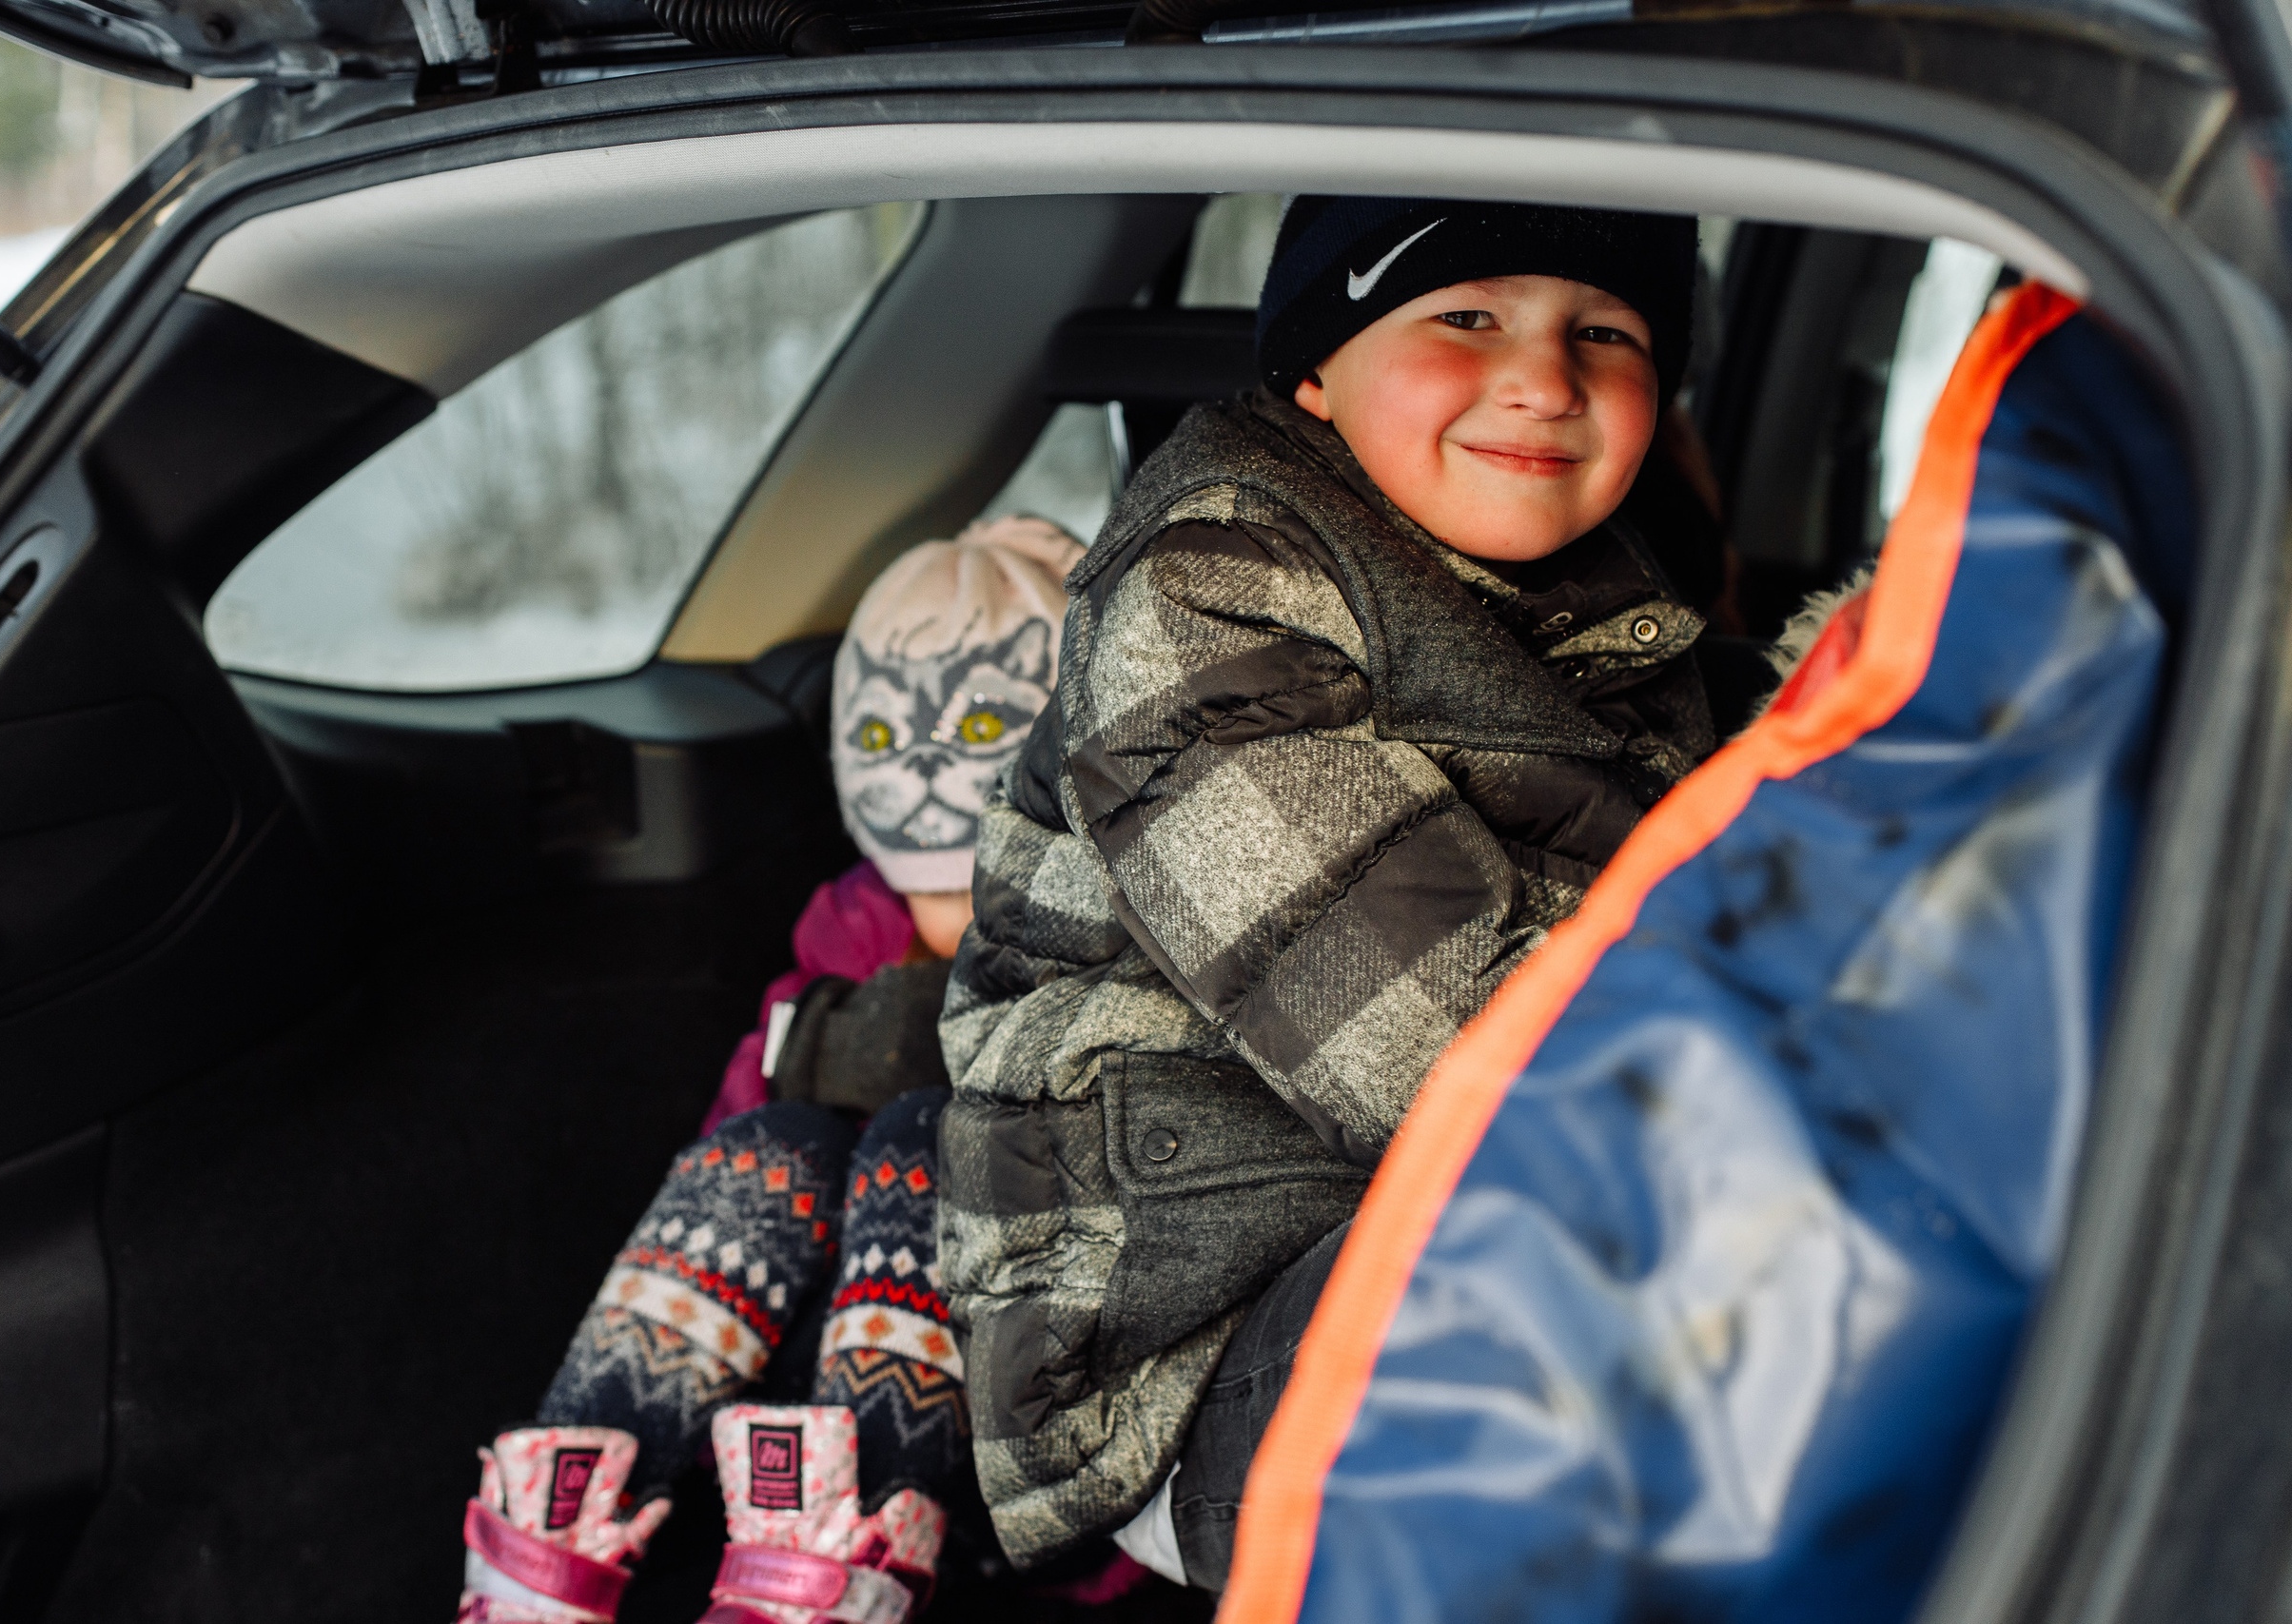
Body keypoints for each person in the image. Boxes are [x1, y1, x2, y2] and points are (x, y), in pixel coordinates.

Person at [936, 197, 1715, 1590]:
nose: (1546, 378)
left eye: (1608, 331)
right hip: (1189, 1351)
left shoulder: (1612, 601)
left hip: (1442, 1217)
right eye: (1463, 315)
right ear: (1316, 368)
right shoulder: (1208, 587)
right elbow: (1456, 1049)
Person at [453, 516, 1086, 1624]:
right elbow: (731, 1151)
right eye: (889, 735)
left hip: (1014, 1417)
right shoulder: (836, 950)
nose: (928, 764)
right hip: (785, 1426)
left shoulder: (1110, 932)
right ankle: (546, 1552)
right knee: (771, 1146)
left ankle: (842, 1574)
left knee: (923, 1137)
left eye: (980, 724)